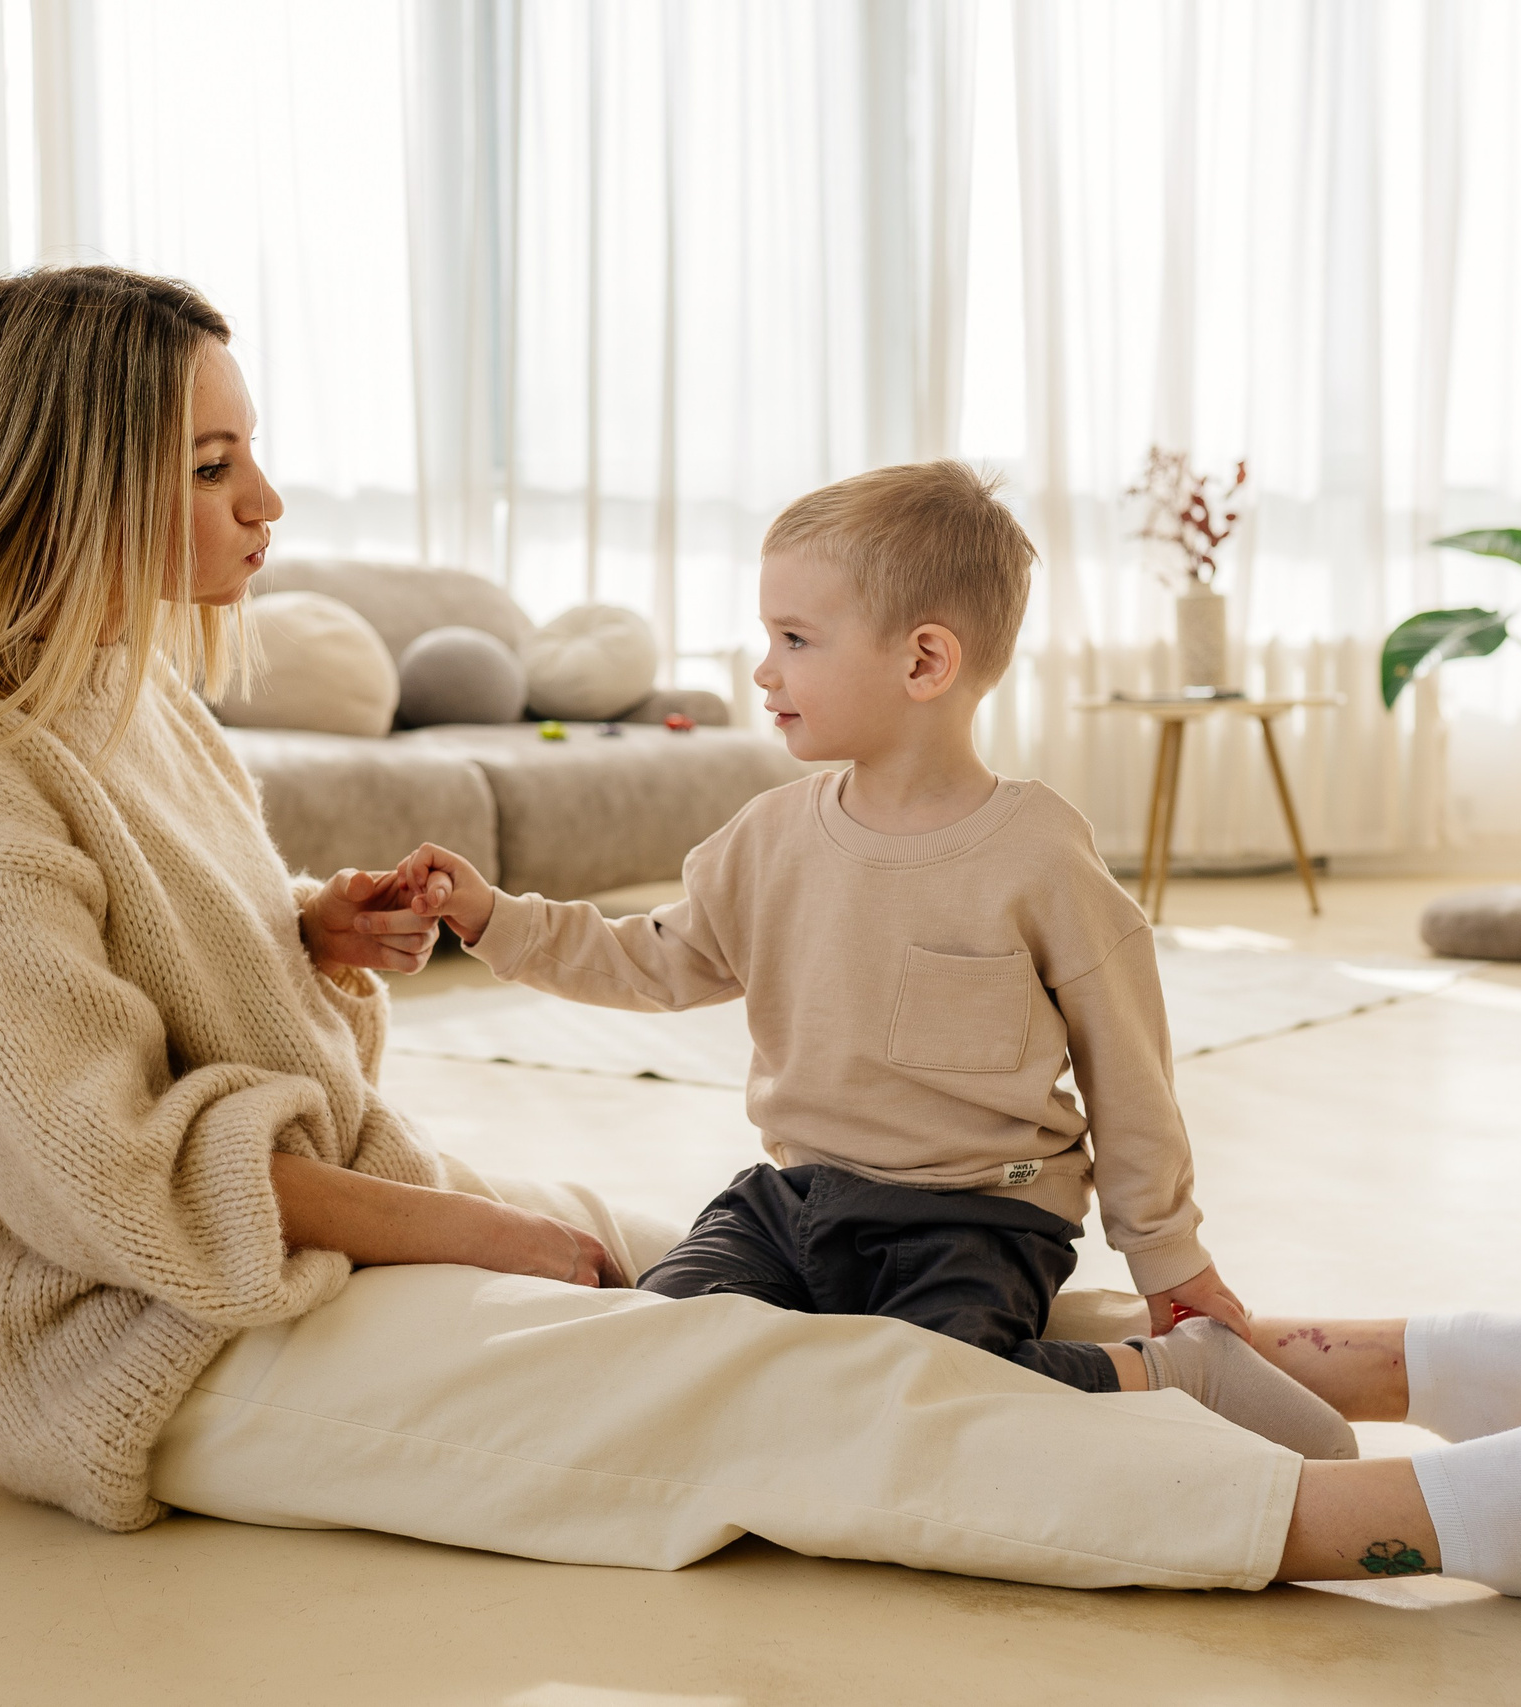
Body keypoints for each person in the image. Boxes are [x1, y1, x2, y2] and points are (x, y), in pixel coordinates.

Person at [0, 263, 1521, 1609]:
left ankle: (1433, 1365)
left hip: (291, 1266)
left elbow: (132, 1006)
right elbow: (107, 1177)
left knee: (844, 1248)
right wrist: (487, 1231)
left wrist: (290, 930)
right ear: (69, 480)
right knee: (778, 1379)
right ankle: (1442, 1520)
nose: (266, 501)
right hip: (169, 1357)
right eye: (212, 463)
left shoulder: (118, 703)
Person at [383, 462, 1355, 1458]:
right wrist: (493, 917)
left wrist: (1170, 1260)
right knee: (651, 1344)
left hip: (979, 1219)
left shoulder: (1039, 857)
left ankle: (1170, 1376)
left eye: (795, 641)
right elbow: (651, 960)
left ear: (925, 661)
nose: (763, 670)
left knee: (928, 1402)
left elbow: (1129, 1076)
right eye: (768, 636)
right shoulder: (766, 838)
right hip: (793, 1203)